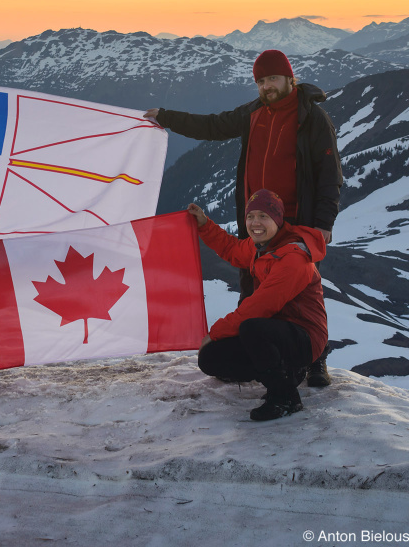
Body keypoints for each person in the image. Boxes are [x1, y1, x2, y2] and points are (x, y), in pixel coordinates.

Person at [144, 49, 341, 386]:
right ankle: (255, 356)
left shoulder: (311, 117)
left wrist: (322, 226)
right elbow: (212, 126)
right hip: (255, 220)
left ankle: (314, 360)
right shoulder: (253, 113)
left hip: (297, 225)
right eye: (261, 81)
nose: (267, 86)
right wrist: (167, 117)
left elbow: (329, 175)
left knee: (303, 293)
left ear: (289, 78)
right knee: (252, 287)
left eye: (273, 79)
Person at [189, 190, 328, 421]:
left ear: (278, 219)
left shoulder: (293, 259)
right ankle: (285, 372)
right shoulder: (261, 246)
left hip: (305, 337)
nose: (255, 223)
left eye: (263, 216)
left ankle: (285, 396)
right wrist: (204, 224)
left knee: (251, 328)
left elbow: (259, 308)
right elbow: (232, 249)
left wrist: (214, 333)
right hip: (276, 332)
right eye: (250, 216)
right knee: (210, 358)